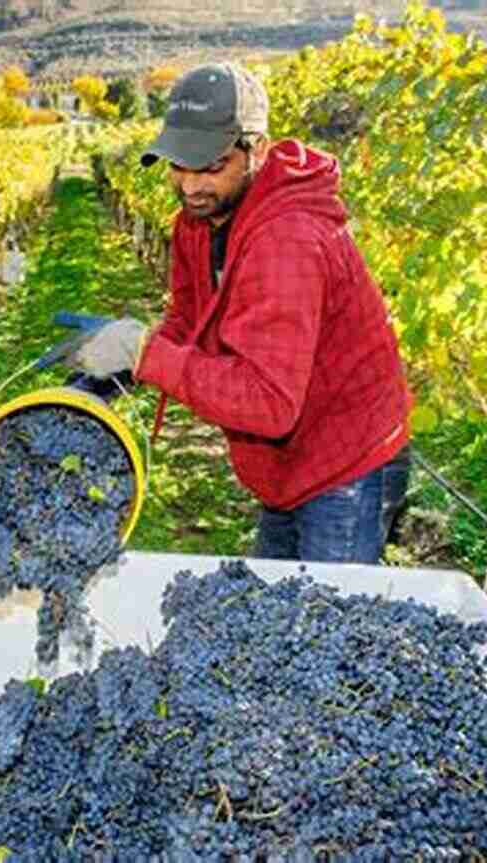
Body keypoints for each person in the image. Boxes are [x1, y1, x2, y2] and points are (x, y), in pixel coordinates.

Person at [63, 61, 413, 565]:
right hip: (287, 460)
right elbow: (189, 319)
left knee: (322, 621)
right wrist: (118, 374)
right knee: (276, 607)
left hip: (348, 459)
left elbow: (269, 403)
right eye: (178, 165)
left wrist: (145, 353)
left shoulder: (287, 241)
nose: (189, 186)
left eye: (211, 165)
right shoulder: (199, 220)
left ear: (259, 150)